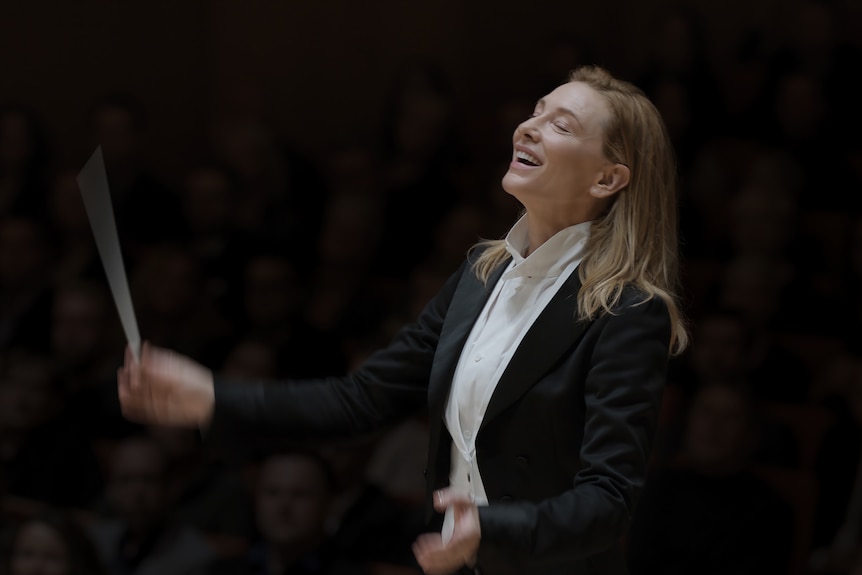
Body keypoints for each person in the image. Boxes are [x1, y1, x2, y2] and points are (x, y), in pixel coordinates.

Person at [117, 64, 689, 575]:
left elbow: (609, 499)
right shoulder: (480, 274)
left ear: (608, 179)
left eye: (561, 125)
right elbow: (362, 400)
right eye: (536, 111)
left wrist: (491, 528)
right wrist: (213, 398)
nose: (528, 127)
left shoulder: (629, 310)